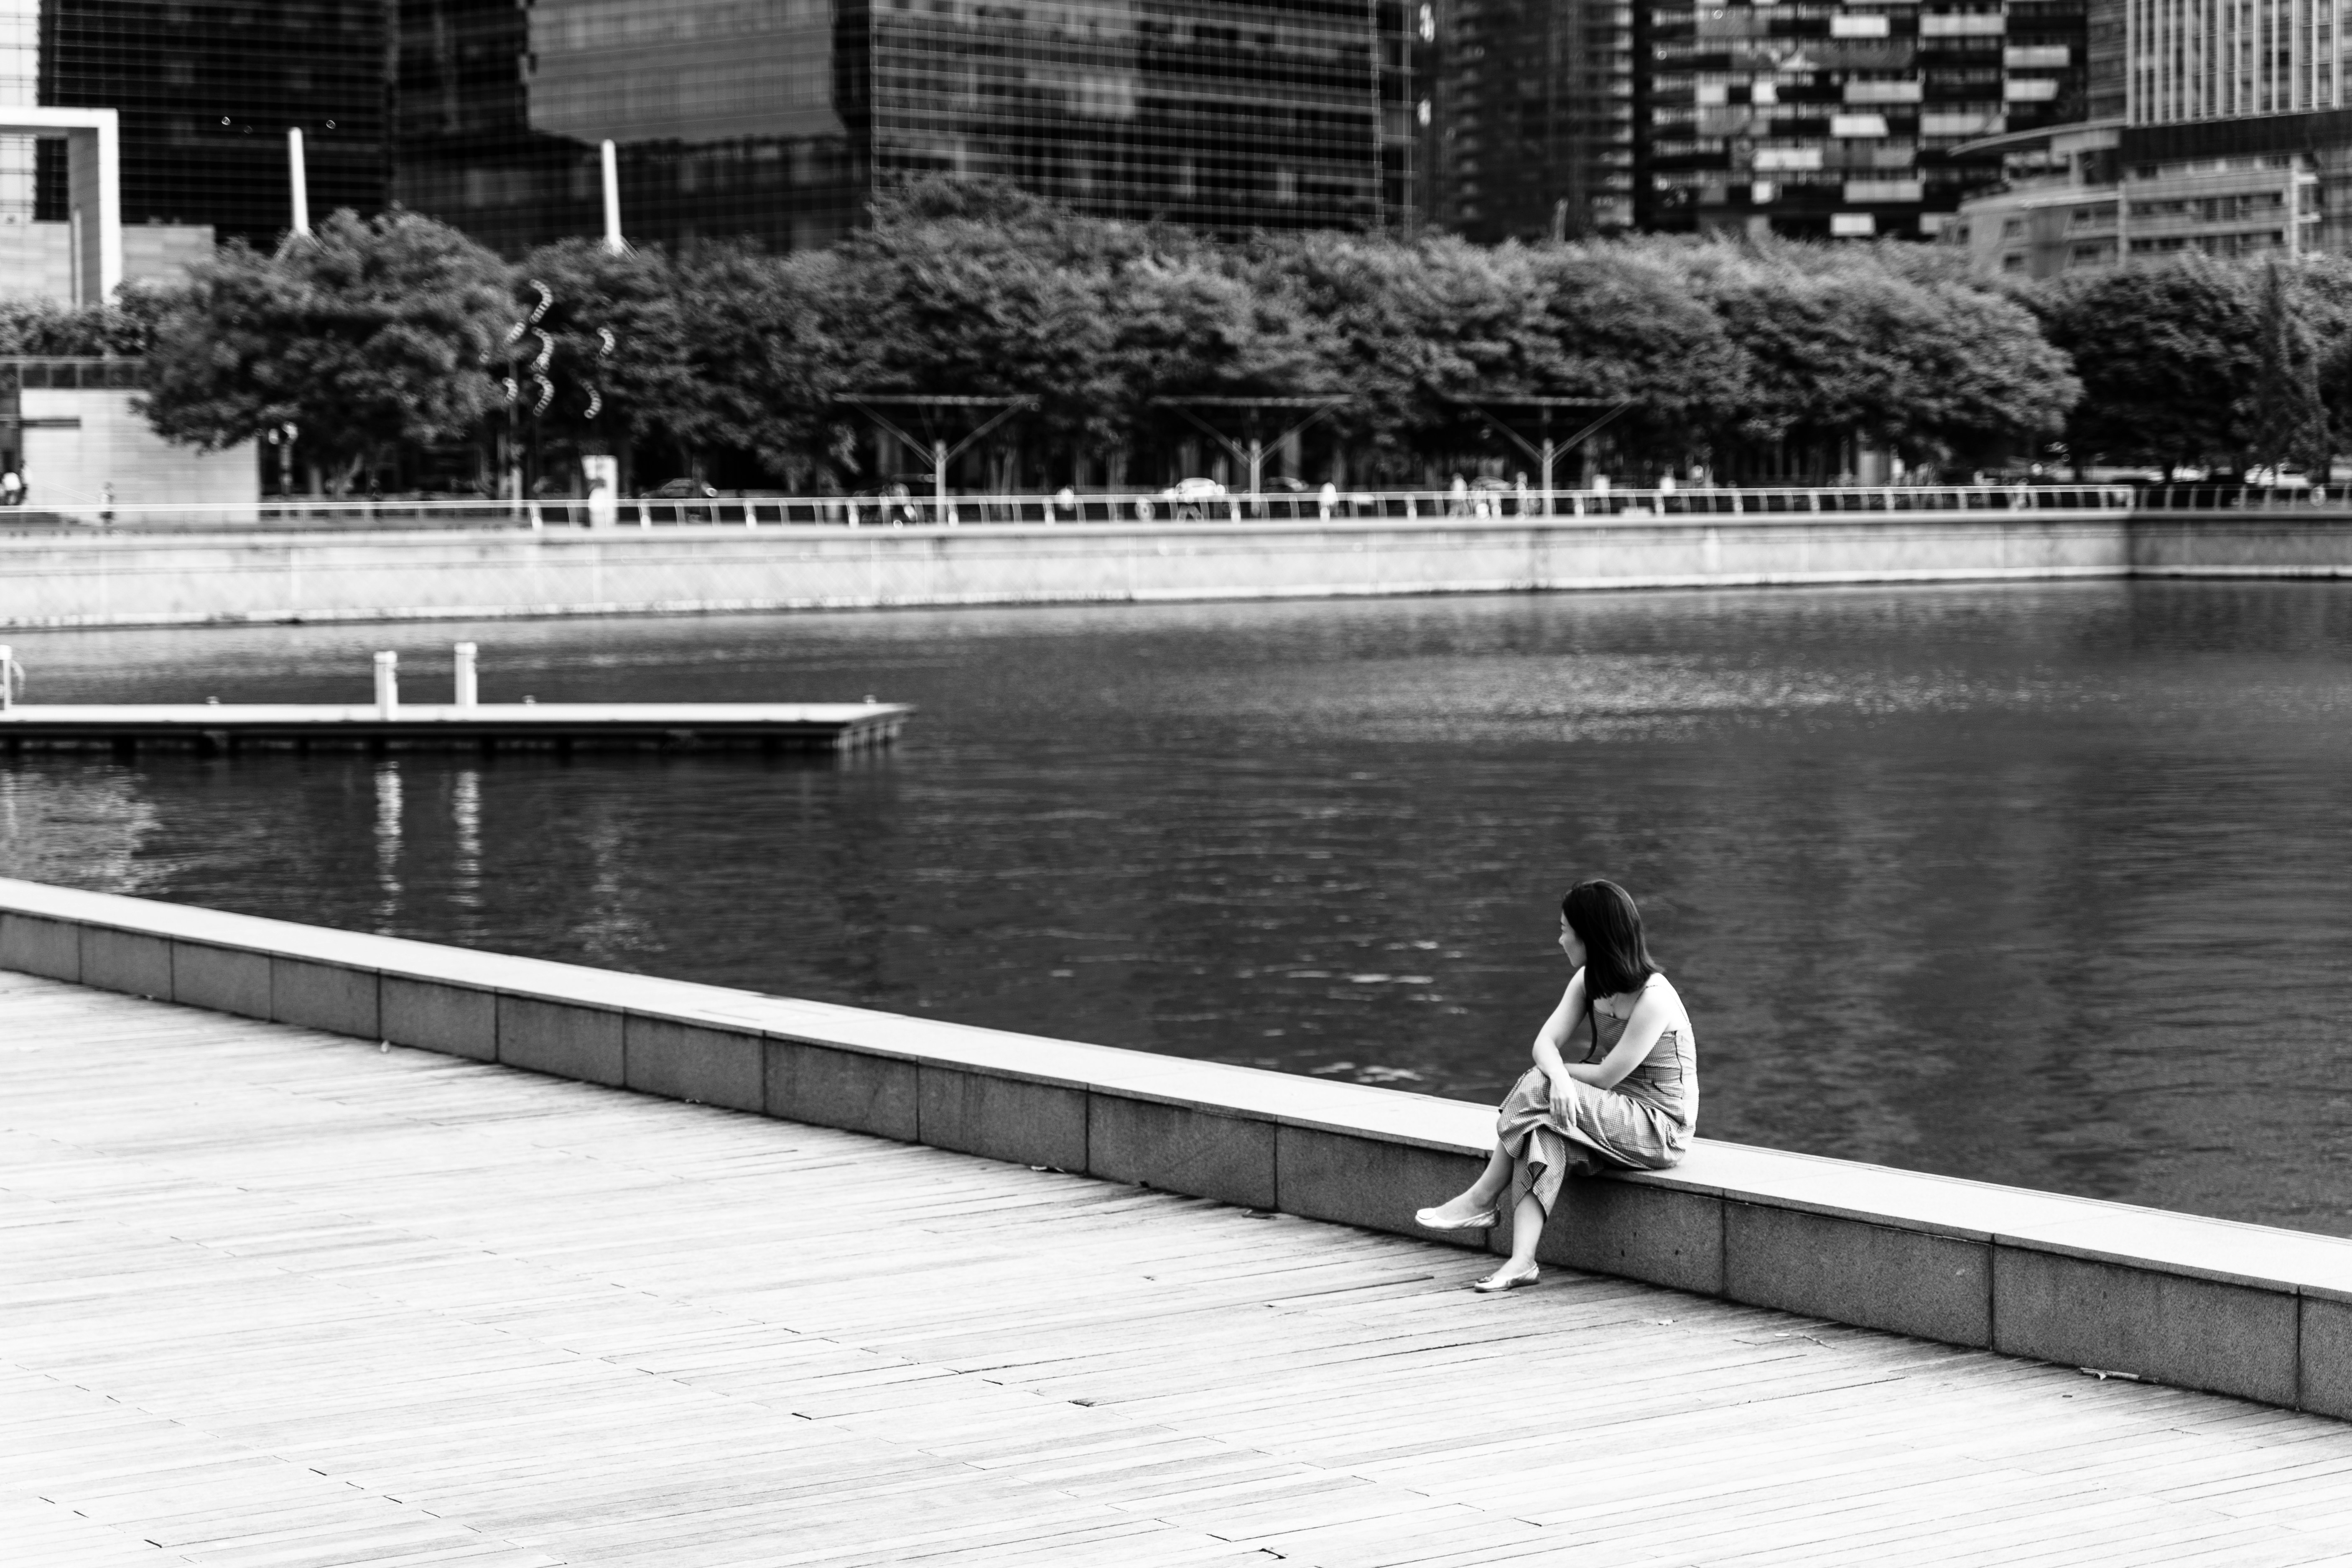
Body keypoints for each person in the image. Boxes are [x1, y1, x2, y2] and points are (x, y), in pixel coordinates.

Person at [1416, 879, 1697, 1292]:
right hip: (1610, 1111)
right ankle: (1521, 1262)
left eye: (1567, 929)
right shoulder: (1588, 981)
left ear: (1592, 938)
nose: (1560, 938)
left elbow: (1605, 1076)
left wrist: (1557, 1078)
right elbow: (1543, 1043)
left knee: (1538, 1083)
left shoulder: (1654, 998)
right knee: (1540, 1132)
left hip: (1659, 1129)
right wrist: (1559, 1079)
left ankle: (1481, 1199)